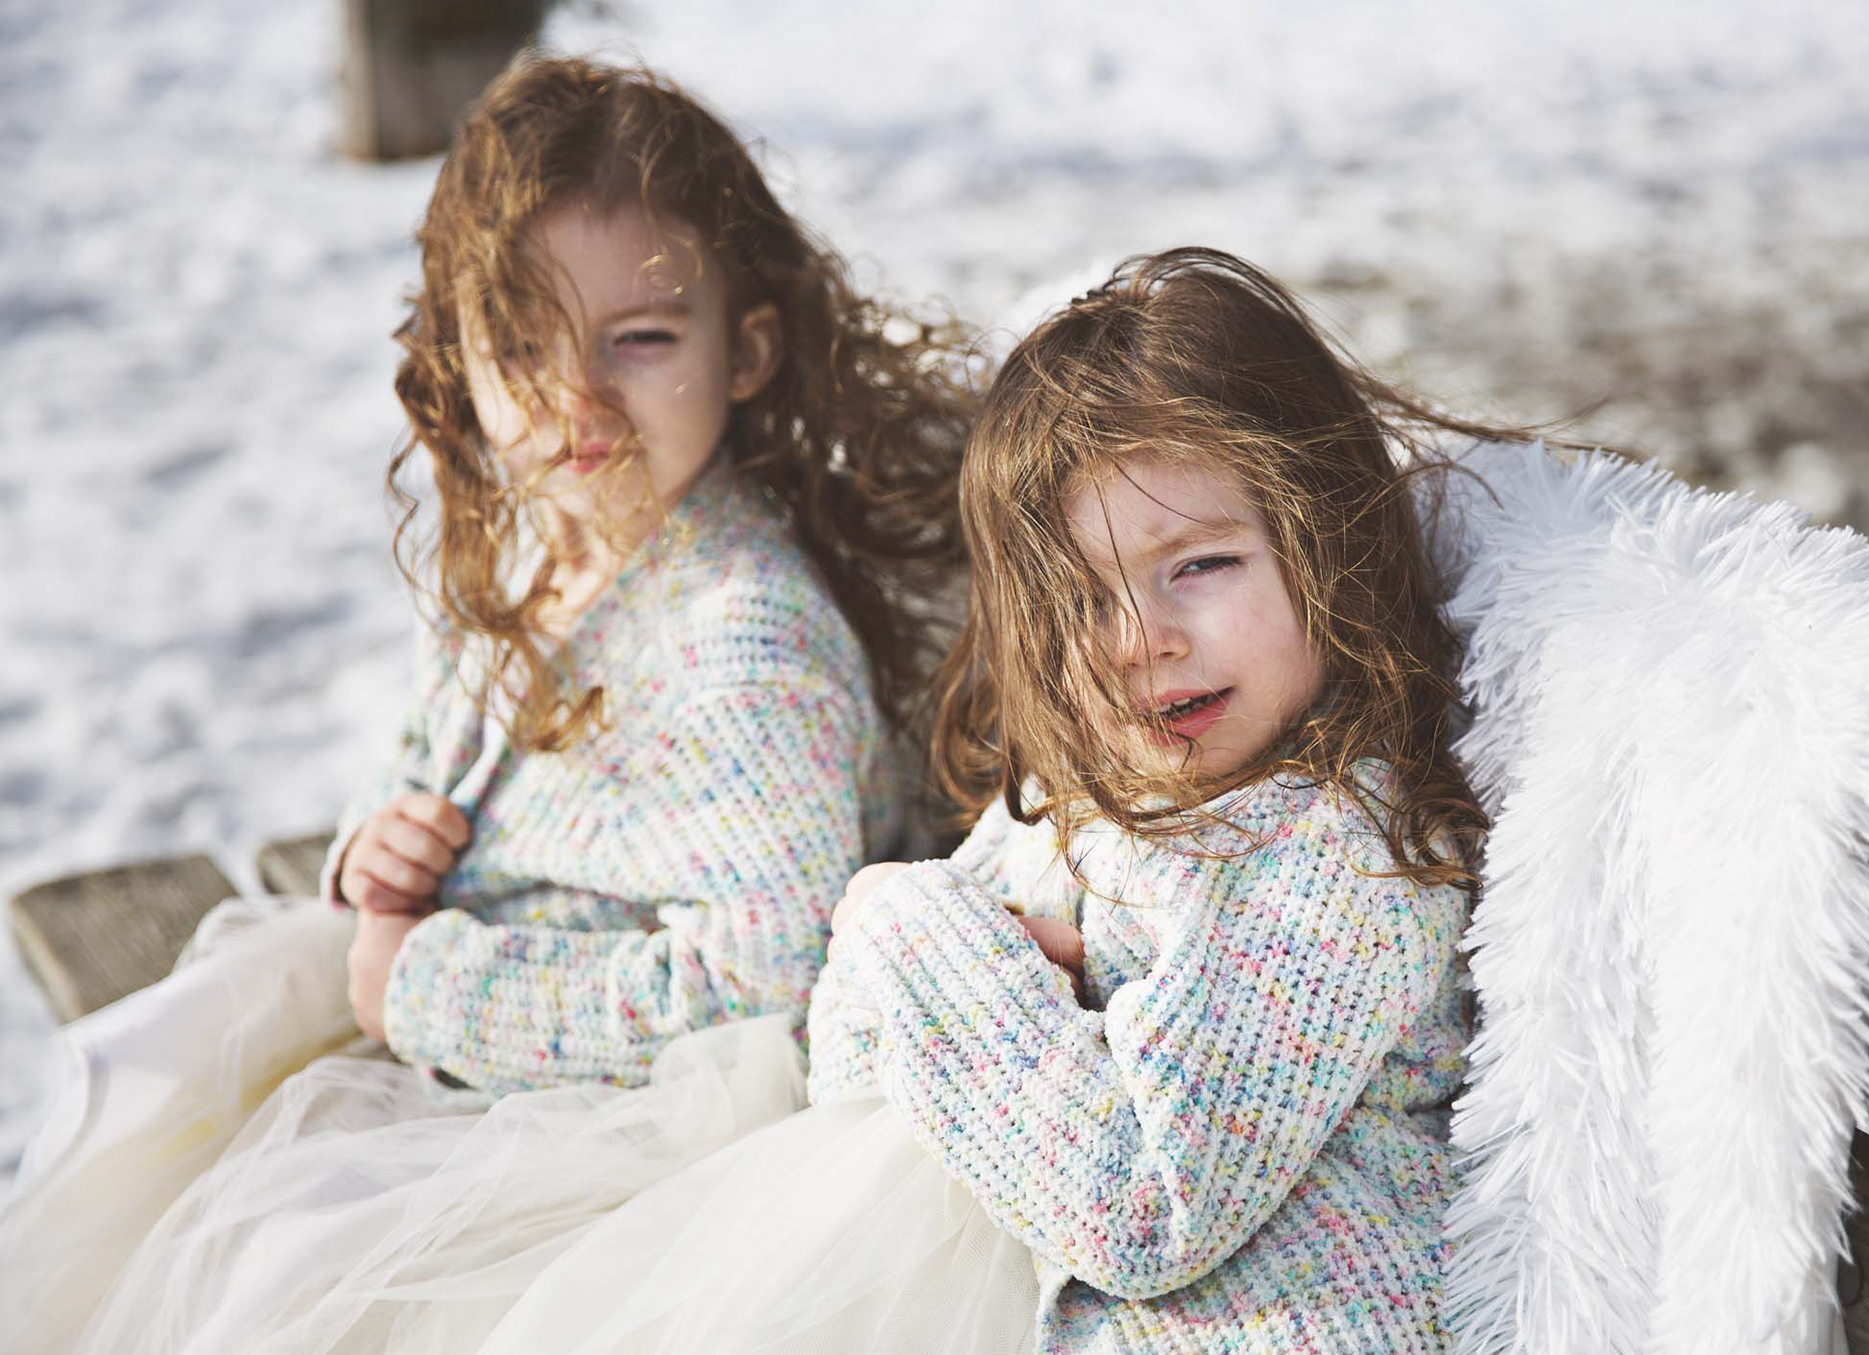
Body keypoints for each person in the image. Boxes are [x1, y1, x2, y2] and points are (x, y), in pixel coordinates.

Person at [195, 246, 1511, 1354]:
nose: (1137, 642)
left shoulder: (1346, 857)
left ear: (1324, 545)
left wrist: (914, 935)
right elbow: (850, 1064)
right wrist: (975, 993)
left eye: (1201, 566)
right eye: (1077, 602)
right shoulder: (1078, 797)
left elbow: (1137, 1204)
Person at [0, 53, 974, 1351]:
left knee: (301, 1274)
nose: (577, 400)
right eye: (522, 346)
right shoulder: (537, 541)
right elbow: (434, 752)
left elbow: (771, 996)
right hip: (478, 1033)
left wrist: (433, 988)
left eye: (640, 339)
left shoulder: (749, 644)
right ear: (459, 360)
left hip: (630, 1136)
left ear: (744, 349)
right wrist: (385, 838)